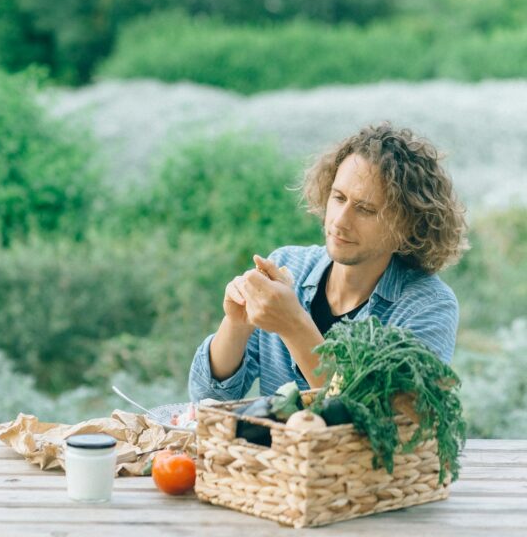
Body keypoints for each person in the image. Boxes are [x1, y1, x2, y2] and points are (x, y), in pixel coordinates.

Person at [188, 122, 469, 403]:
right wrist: (236, 324)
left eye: (365, 209)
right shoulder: (286, 265)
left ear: (407, 226)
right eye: (339, 197)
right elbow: (206, 398)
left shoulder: (427, 306)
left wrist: (294, 325)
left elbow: (384, 420)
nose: (340, 220)